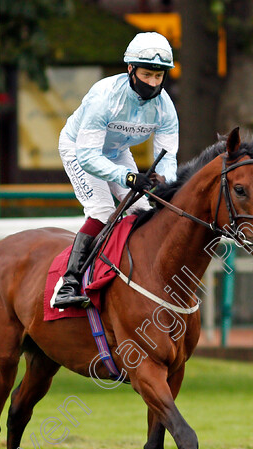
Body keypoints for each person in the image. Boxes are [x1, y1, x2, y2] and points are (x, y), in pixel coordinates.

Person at [52, 32, 179, 309]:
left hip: (116, 152)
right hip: (80, 149)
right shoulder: (104, 97)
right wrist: (128, 177)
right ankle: (68, 283)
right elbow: (88, 157)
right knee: (101, 210)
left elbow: (168, 158)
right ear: (131, 69)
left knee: (142, 211)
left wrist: (165, 181)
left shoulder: (166, 108)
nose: (153, 83)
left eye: (159, 77)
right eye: (147, 75)